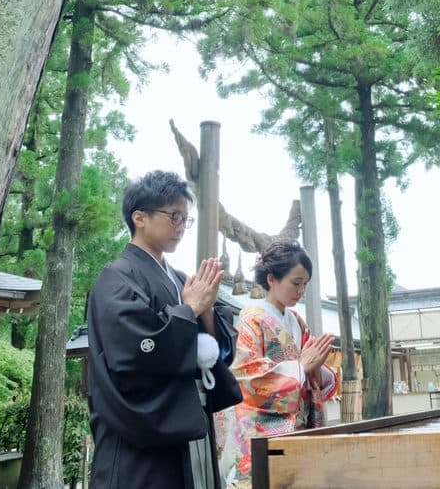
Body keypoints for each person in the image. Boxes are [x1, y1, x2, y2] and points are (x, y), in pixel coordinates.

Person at [86, 170, 242, 489]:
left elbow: (215, 351)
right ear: (139, 217)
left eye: (186, 218)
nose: (181, 226)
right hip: (141, 437)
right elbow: (134, 353)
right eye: (174, 216)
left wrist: (206, 308)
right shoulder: (116, 279)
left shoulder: (180, 278)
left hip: (187, 426)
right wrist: (190, 310)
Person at [219, 241, 338, 488]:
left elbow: (308, 369)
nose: (301, 290)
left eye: (305, 284)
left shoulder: (297, 321)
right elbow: (245, 377)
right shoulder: (252, 319)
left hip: (298, 425)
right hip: (263, 431)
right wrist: (300, 368)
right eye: (296, 283)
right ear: (272, 279)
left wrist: (316, 368)